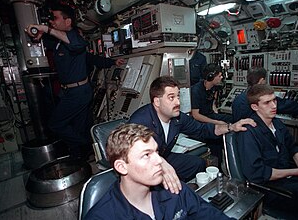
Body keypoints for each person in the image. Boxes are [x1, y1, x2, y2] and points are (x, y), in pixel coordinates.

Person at [128, 76, 256, 192]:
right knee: (156, 185)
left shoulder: (177, 118)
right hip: (142, 166)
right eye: (171, 97)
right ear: (157, 102)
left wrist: (231, 126)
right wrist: (160, 164)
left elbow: (203, 129)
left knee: (198, 163)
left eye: (178, 96)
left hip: (164, 156)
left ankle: (182, 190)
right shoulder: (139, 121)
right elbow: (133, 155)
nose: (178, 102)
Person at [85, 123, 234, 220]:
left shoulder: (174, 189)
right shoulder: (102, 216)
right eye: (146, 155)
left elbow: (211, 215)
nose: (159, 161)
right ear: (122, 167)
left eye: (156, 152)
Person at [236, 84, 298, 219]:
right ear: (255, 107)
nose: (274, 106)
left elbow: (294, 147)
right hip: (272, 189)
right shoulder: (249, 132)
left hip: (290, 176)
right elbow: (257, 173)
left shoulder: (277, 123)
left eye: (274, 100)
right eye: (267, 102)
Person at [25, 4, 95, 159]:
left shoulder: (74, 35)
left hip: (79, 92)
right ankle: (80, 157)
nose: (52, 22)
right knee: (77, 127)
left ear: (68, 21)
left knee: (55, 124)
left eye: (55, 18)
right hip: (69, 91)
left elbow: (77, 44)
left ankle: (87, 143)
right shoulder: (58, 42)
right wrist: (39, 35)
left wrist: (46, 29)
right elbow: (44, 40)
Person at [191, 64, 232, 171]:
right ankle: (216, 167)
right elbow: (196, 115)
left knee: (231, 119)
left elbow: (212, 103)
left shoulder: (214, 88)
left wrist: (217, 113)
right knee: (216, 138)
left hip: (210, 114)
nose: (221, 77)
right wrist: (216, 121)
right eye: (219, 75)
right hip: (201, 119)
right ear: (210, 77)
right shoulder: (196, 91)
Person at [231, 67, 298, 122]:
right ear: (261, 80)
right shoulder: (261, 97)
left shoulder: (238, 98)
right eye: (265, 80)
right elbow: (286, 105)